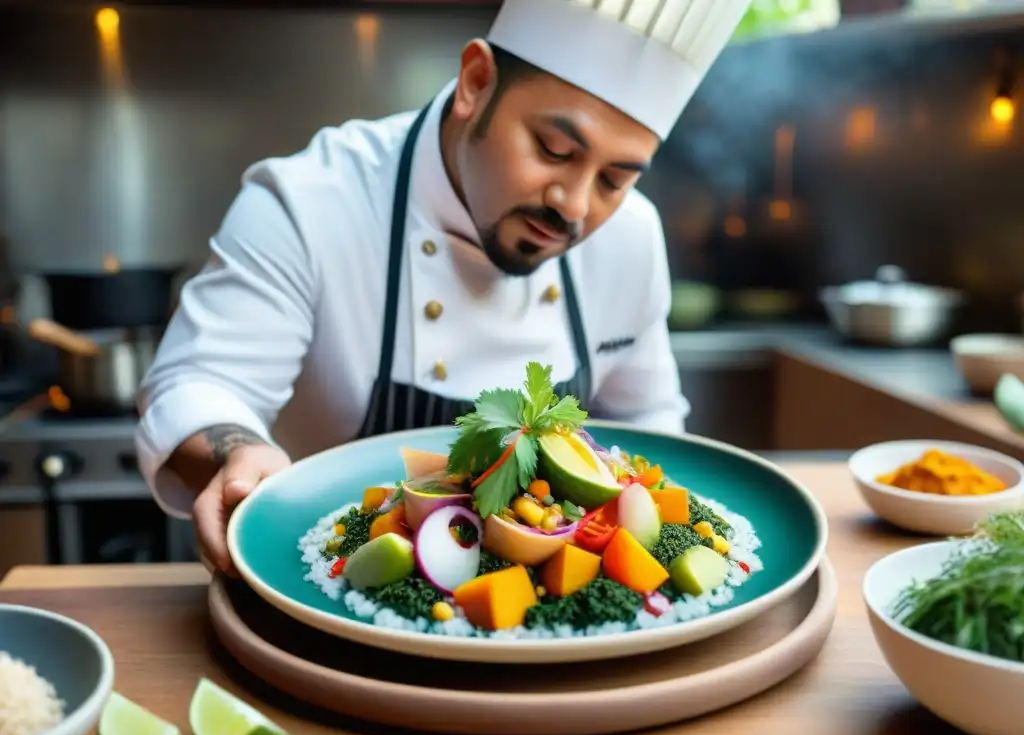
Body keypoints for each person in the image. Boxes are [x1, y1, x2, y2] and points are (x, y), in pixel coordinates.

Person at [135, 0, 752, 575]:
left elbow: (647, 420)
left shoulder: (631, 236)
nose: (573, 205)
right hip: (324, 587)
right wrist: (239, 455)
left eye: (615, 180)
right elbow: (200, 386)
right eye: (553, 148)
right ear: (476, 83)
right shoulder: (310, 204)